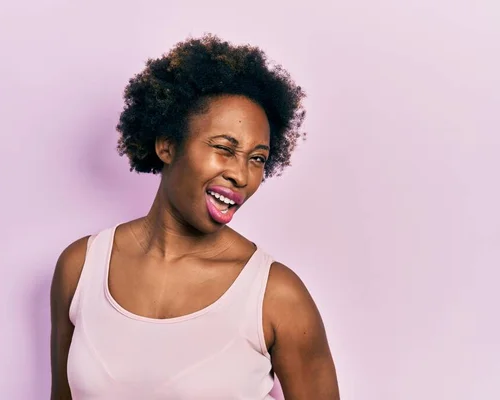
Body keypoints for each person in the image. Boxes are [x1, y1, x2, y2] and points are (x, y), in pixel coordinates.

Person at [50, 34, 340, 400]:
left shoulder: (277, 295)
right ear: (167, 146)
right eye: (224, 149)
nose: (242, 175)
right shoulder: (81, 267)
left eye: (257, 158)